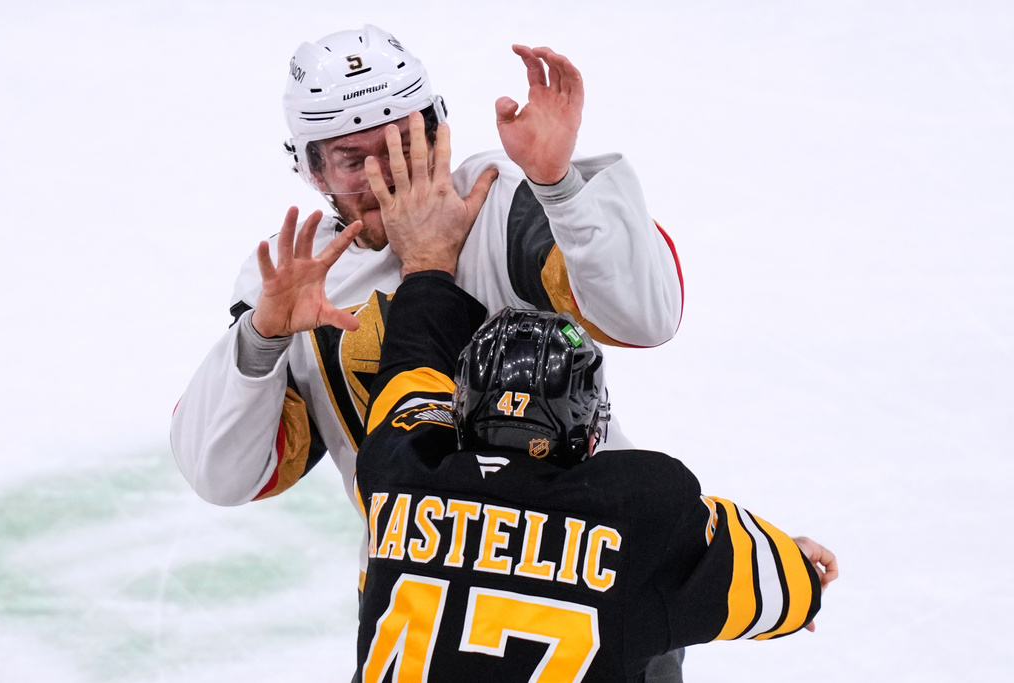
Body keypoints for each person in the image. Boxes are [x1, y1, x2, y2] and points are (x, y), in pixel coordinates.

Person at [170, 23, 685, 679]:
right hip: (427, 615)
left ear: (439, 129)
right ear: (312, 168)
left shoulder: (505, 206)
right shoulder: (301, 280)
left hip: (591, 586)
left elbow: (649, 315)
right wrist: (261, 337)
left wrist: (558, 185)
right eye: (354, 160)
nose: (385, 176)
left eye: (402, 142)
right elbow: (220, 473)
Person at [352, 171, 838, 680]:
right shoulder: (644, 519)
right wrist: (797, 566)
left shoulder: (397, 469)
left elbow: (413, 372)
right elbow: (780, 589)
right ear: (588, 428)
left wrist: (428, 265)